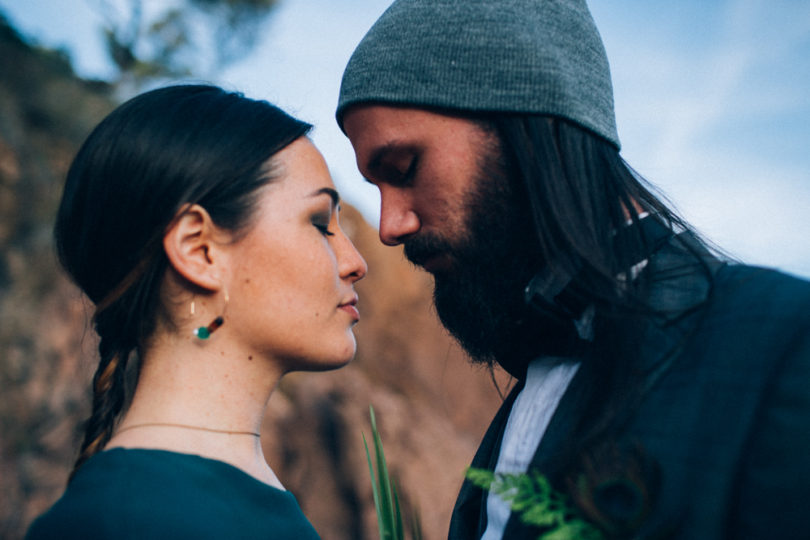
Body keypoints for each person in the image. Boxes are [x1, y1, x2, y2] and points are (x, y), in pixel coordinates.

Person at [335, 1, 810, 538]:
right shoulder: (529, 390)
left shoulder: (785, 343)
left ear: (527, 123)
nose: (389, 225)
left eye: (403, 169)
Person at [26, 84, 367, 539]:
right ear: (199, 250)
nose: (355, 263)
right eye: (320, 224)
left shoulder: (235, 499)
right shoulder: (122, 522)